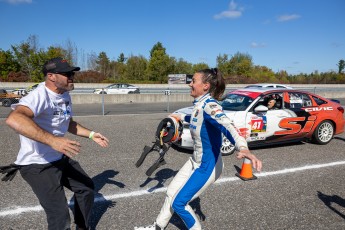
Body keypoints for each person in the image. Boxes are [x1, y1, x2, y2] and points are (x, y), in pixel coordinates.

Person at [135, 68, 262, 230]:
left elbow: (227, 126)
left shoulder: (210, 106)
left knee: (179, 203)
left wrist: (243, 147)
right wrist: (177, 117)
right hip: (195, 161)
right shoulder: (200, 105)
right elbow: (193, 117)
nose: (190, 84)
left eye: (194, 81)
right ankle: (157, 227)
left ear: (206, 86)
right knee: (171, 192)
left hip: (207, 166)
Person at [4, 57, 109, 230]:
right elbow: (14, 119)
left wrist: (91, 134)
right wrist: (53, 141)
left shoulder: (64, 94)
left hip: (59, 158)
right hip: (37, 165)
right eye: (67, 73)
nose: (72, 76)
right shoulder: (39, 95)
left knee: (86, 188)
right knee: (59, 216)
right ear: (51, 76)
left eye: (72, 73)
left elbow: (67, 123)